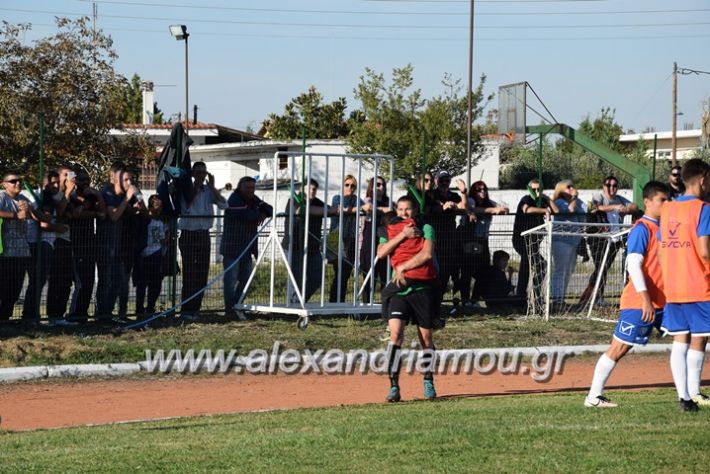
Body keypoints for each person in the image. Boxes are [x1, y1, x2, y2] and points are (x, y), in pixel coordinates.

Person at [585, 181, 669, 408]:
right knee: (619, 348)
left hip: (664, 301)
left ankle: (690, 394)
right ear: (648, 202)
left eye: (668, 199)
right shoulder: (642, 228)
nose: (667, 203)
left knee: (690, 337)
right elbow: (633, 265)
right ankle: (593, 397)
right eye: (662, 199)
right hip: (640, 302)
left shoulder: (664, 227)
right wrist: (645, 301)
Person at [658, 158, 710, 411]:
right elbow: (704, 250)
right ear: (702, 180)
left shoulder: (667, 209)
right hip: (698, 284)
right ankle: (694, 392)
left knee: (680, 340)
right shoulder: (703, 208)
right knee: (700, 339)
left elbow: (661, 247)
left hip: (673, 286)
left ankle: (685, 398)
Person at [377, 195, 439, 402]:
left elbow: (427, 254)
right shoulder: (390, 229)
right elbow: (382, 252)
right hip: (401, 291)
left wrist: (403, 267)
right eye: (400, 209)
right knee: (396, 336)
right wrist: (403, 235)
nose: (404, 212)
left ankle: (428, 380)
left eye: (408, 209)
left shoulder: (427, 228)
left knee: (427, 340)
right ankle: (394, 386)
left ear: (415, 211)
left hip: (423, 289)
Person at [580, 176, 638, 306]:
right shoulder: (599, 196)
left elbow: (635, 206)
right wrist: (614, 207)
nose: (611, 188)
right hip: (599, 238)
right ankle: (592, 296)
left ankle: (593, 297)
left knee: (603, 268)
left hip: (615, 239)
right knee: (601, 267)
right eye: (608, 185)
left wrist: (626, 209)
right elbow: (596, 207)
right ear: (603, 186)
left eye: (614, 186)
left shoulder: (619, 199)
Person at [178, 161, 226, 319]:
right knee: (190, 273)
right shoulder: (187, 189)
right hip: (189, 234)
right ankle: (186, 310)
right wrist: (195, 191)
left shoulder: (208, 191)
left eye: (203, 173)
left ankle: (195, 309)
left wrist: (212, 187)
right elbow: (185, 208)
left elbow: (224, 205)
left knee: (201, 274)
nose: (200, 176)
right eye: (197, 173)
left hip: (203, 234)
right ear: (192, 174)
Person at [221, 176, 273, 318]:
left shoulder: (254, 200)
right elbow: (245, 214)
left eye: (252, 188)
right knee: (230, 280)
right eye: (247, 188)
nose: (251, 190)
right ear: (240, 187)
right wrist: (259, 212)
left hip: (247, 248)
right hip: (232, 248)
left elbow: (270, 208)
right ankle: (229, 309)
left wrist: (262, 212)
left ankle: (237, 305)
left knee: (247, 280)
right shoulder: (234, 199)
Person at [0, 171, 48, 321]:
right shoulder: (1, 196)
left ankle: (5, 318)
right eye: (13, 181)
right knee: (3, 288)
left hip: (22, 251)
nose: (18, 184)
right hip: (4, 251)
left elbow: (43, 218)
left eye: (19, 181)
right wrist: (16, 215)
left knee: (14, 289)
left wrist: (31, 210)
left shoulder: (23, 198)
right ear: (4, 184)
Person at [96, 161, 139, 321]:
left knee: (117, 281)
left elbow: (133, 212)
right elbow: (113, 216)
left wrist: (135, 204)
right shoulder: (107, 193)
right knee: (106, 279)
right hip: (106, 244)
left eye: (130, 179)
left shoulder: (123, 196)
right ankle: (102, 314)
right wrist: (127, 199)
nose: (129, 183)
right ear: (114, 178)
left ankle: (110, 313)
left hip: (119, 245)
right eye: (125, 179)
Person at [283, 179, 336, 303]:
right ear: (302, 189)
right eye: (308, 188)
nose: (311, 191)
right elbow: (303, 210)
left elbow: (331, 210)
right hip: (294, 246)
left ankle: (299, 302)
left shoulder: (318, 202)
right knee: (296, 279)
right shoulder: (294, 200)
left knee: (316, 278)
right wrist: (328, 210)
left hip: (312, 247)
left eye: (314, 189)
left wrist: (334, 210)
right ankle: (292, 306)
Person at [456, 180, 508, 306]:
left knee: (483, 271)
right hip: (469, 240)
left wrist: (500, 209)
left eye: (484, 189)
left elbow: (504, 208)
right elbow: (468, 207)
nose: (482, 192)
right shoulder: (472, 200)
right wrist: (490, 210)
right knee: (467, 271)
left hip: (483, 241)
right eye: (479, 190)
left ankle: (474, 300)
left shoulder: (489, 202)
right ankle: (465, 300)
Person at [512, 178, 558, 305]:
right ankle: (520, 296)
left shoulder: (542, 200)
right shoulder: (526, 199)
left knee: (542, 265)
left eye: (539, 189)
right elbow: (526, 209)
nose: (537, 192)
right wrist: (544, 210)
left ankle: (536, 294)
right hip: (521, 239)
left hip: (534, 242)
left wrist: (546, 199)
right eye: (534, 189)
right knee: (526, 263)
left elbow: (557, 210)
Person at [67, 169, 105, 322]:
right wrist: (92, 212)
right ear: (76, 181)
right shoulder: (71, 197)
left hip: (90, 243)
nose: (85, 182)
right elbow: (76, 214)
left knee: (89, 280)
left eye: (87, 179)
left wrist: (97, 194)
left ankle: (83, 313)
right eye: (81, 179)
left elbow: (103, 212)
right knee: (80, 282)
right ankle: (75, 313)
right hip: (76, 243)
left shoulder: (91, 196)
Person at [427, 171, 467, 299]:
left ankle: (443, 297)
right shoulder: (432, 194)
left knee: (449, 268)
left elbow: (464, 207)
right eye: (442, 180)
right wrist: (443, 207)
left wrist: (463, 193)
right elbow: (431, 208)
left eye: (447, 180)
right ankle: (434, 298)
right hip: (435, 235)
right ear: (436, 180)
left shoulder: (453, 195)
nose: (444, 183)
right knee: (435, 267)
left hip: (450, 236)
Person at [551, 180, 587, 305]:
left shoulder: (576, 201)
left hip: (574, 240)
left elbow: (583, 213)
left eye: (573, 186)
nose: (572, 188)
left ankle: (561, 297)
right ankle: (556, 298)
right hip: (562, 240)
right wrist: (574, 197)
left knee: (569, 270)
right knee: (561, 269)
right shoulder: (559, 202)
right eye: (568, 187)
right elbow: (571, 210)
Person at [329, 175, 364, 303]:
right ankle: (334, 301)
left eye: (353, 185)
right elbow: (340, 209)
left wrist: (352, 210)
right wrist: (352, 210)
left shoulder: (357, 199)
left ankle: (339, 301)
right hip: (336, 237)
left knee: (346, 272)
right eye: (347, 185)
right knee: (339, 271)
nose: (350, 188)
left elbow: (363, 207)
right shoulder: (337, 197)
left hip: (350, 238)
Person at [360, 176, 391, 303]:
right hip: (369, 240)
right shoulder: (368, 200)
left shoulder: (388, 201)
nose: (381, 187)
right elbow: (368, 207)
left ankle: (386, 305)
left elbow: (394, 210)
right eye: (377, 185)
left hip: (385, 240)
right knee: (368, 274)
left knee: (385, 275)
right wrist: (384, 210)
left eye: (383, 185)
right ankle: (366, 304)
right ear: (372, 187)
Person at [135, 195, 167, 316]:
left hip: (150, 254)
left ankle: (146, 308)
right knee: (150, 284)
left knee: (148, 284)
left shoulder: (151, 220)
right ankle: (145, 308)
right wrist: (167, 236)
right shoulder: (154, 222)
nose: (159, 211)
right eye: (157, 208)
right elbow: (162, 239)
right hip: (152, 254)